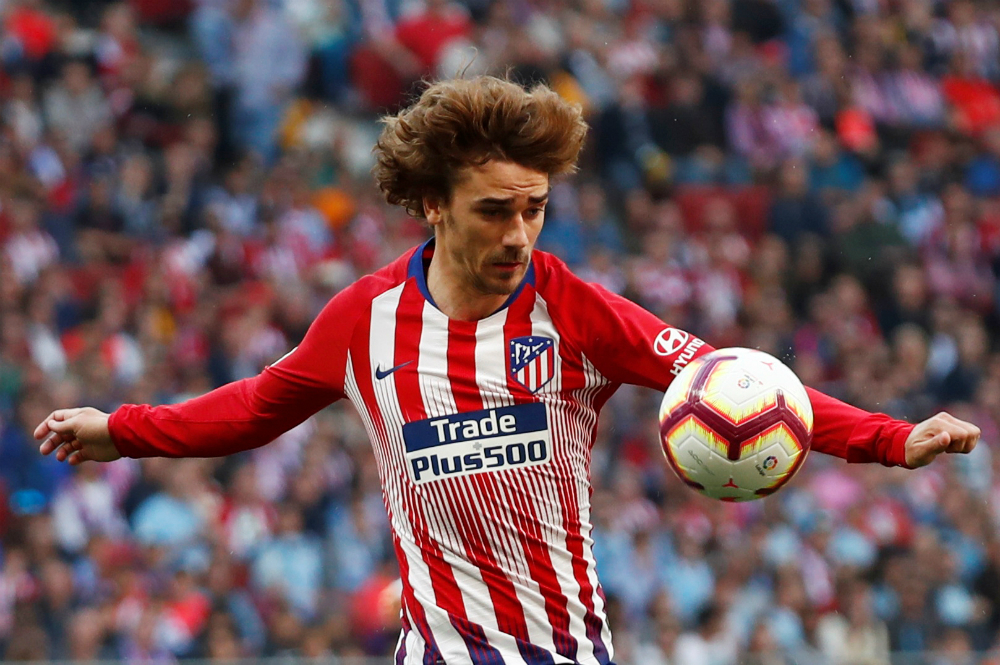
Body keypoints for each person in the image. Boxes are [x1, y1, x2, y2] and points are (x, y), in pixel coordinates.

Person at [34, 76, 980, 665]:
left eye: (533, 208)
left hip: (568, 649)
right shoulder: (362, 322)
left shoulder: (574, 309)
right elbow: (249, 410)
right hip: (437, 652)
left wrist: (895, 439)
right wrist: (122, 429)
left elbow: (744, 384)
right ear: (434, 205)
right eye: (494, 210)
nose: (519, 233)